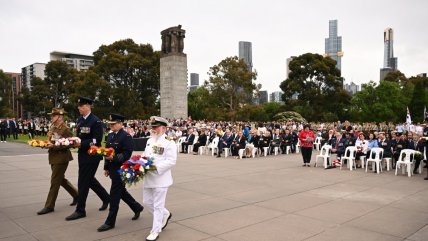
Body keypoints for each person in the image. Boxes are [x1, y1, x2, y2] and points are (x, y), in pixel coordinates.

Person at [97, 114, 144, 232]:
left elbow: (127, 153)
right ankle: (136, 207)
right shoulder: (110, 135)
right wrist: (106, 167)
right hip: (112, 169)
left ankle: (110, 222)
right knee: (121, 192)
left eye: (114, 124)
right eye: (110, 124)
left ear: (121, 124)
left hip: (121, 169)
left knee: (114, 195)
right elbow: (106, 152)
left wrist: (114, 158)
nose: (111, 126)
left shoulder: (126, 136)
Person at [66, 96, 110, 221]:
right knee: (89, 180)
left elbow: (97, 140)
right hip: (82, 154)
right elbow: (79, 135)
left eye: (81, 106)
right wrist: (74, 141)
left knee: (83, 182)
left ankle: (80, 210)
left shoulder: (95, 121)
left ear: (88, 106)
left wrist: (82, 143)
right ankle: (106, 198)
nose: (79, 108)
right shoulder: (80, 120)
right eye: (79, 106)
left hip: (92, 155)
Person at [37, 108, 78, 215]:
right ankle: (77, 195)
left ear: (59, 117)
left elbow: (70, 143)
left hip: (62, 158)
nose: (52, 117)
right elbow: (50, 140)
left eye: (53, 116)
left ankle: (49, 206)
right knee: (61, 180)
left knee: (55, 181)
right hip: (53, 157)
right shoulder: (53, 127)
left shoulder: (66, 129)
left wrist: (54, 146)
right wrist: (45, 144)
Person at [142, 116, 177, 241]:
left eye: (156, 127)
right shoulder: (150, 140)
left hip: (161, 179)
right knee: (146, 202)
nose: (153, 129)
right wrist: (137, 163)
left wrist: (155, 167)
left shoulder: (169, 142)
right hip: (148, 178)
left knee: (157, 206)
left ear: (163, 128)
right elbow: (145, 155)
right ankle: (165, 214)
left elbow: (172, 161)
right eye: (152, 127)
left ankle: (155, 231)